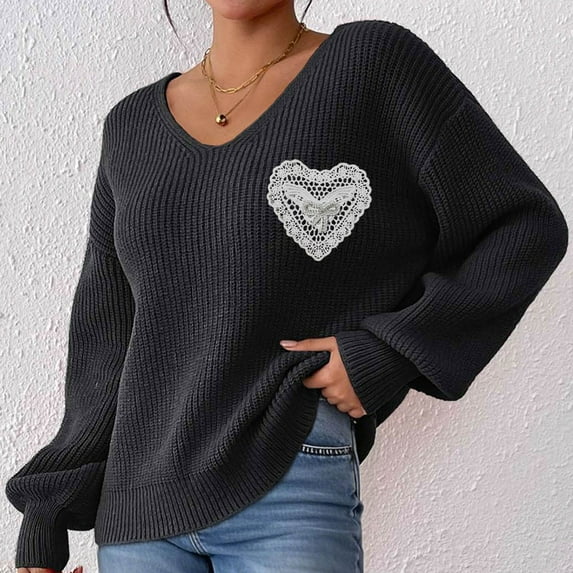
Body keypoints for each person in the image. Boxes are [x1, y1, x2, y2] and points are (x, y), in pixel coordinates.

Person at [5, 1, 569, 572]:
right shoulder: (130, 127)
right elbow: (106, 338)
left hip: (287, 483)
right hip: (137, 512)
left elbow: (521, 226)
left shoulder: (372, 64)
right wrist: (47, 518)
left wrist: (390, 350)